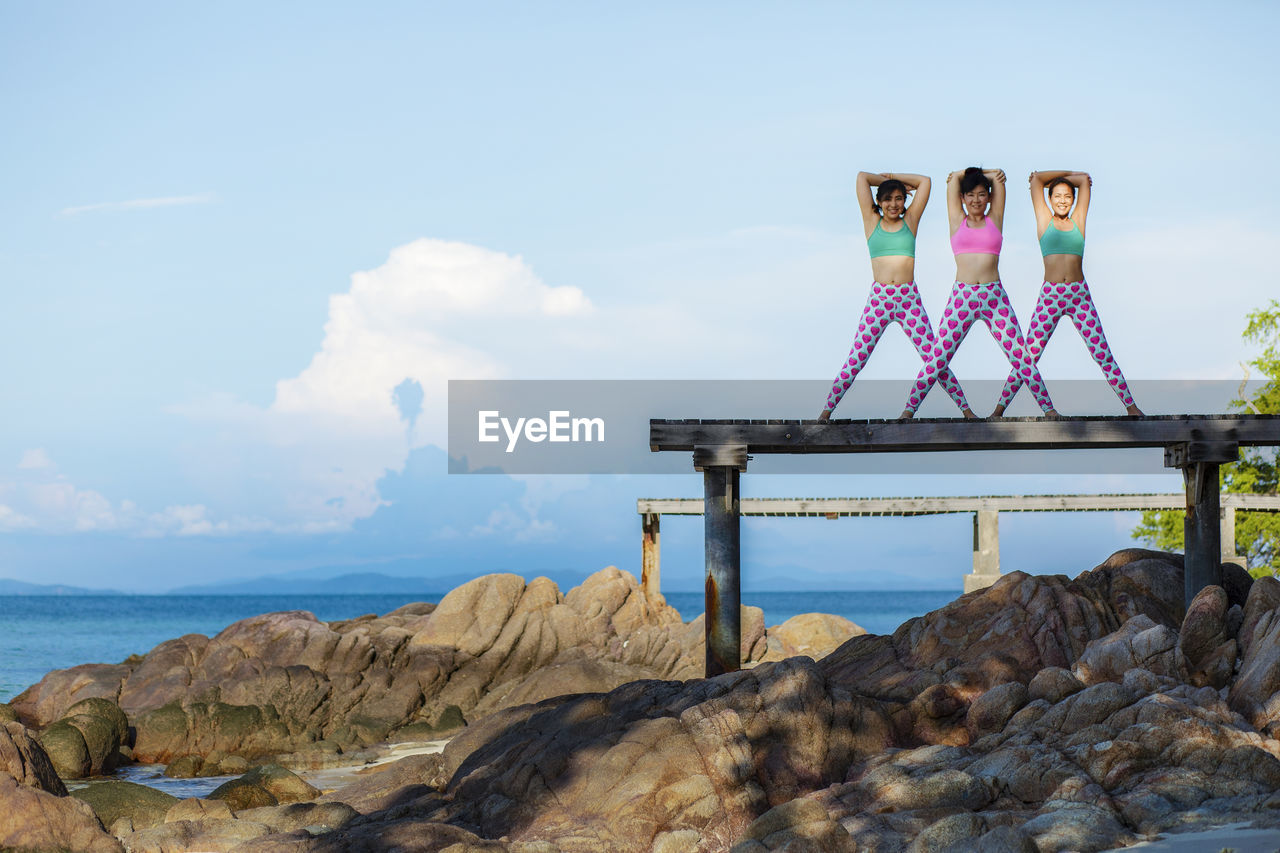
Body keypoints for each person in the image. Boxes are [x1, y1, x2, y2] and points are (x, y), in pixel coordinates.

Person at [902, 167, 1060, 418]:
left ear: (988, 197)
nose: (976, 200)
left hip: (993, 296)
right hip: (962, 296)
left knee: (1021, 357)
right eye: (970, 195)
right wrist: (977, 172)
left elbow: (999, 178)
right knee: (937, 358)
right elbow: (953, 178)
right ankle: (909, 411)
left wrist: (991, 176)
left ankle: (1049, 410)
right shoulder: (957, 219)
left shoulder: (995, 218)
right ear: (962, 198)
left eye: (981, 194)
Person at [818, 171, 976, 422]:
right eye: (888, 199)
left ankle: (966, 410)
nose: (894, 204)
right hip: (880, 298)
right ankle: (825, 413)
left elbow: (926, 182)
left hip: (908, 299)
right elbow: (860, 177)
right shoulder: (871, 221)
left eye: (900, 198)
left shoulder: (910, 221)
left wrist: (894, 178)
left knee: (934, 357)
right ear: (879, 202)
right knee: (857, 358)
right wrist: (889, 181)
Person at [990, 171, 1142, 417]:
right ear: (1049, 199)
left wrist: (1068, 180)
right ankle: (998, 411)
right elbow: (1037, 180)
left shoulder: (1078, 220)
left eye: (1068, 196)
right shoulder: (1044, 219)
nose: (1062, 200)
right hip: (1051, 295)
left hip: (1079, 294)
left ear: (1074, 199)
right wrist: (1051, 180)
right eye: (1057, 196)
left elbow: (1083, 179)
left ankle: (1131, 407)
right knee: (1028, 356)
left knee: (1102, 353)